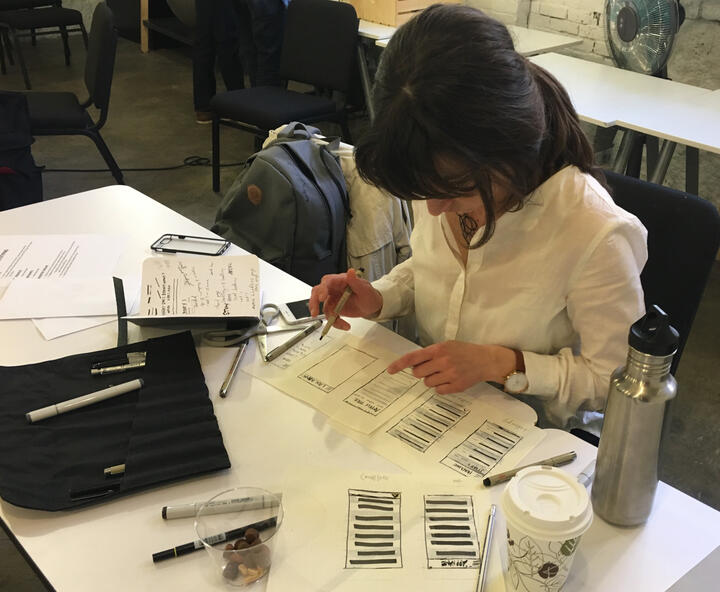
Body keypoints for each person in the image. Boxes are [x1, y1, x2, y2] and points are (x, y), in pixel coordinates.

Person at [309, 5, 648, 432]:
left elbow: (615, 383)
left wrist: (500, 364)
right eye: (425, 191)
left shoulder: (594, 233)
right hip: (434, 409)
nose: (434, 209)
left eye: (456, 189)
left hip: (535, 438)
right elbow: (434, 271)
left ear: (508, 148)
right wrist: (378, 298)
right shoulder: (438, 169)